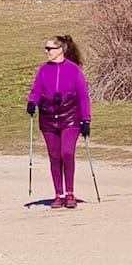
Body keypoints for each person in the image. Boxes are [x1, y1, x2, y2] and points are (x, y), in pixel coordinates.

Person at [27, 35, 92, 209]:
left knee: (67, 153)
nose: (46, 52)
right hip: (48, 118)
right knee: (54, 157)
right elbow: (36, 90)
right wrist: (32, 102)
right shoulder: (43, 70)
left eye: (50, 49)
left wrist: (86, 119)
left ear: (60, 50)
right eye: (46, 48)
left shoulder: (74, 70)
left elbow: (83, 97)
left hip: (70, 116)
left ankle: (70, 192)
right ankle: (58, 194)